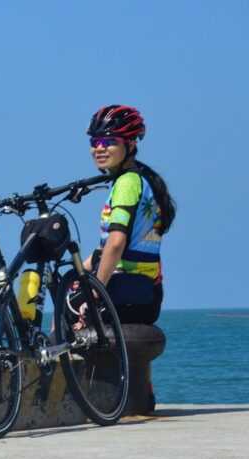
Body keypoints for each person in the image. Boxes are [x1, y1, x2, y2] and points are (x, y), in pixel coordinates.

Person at [83, 105, 176, 324]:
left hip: (126, 292)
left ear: (131, 144)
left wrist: (97, 292)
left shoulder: (127, 183)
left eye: (109, 142)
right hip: (146, 292)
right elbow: (106, 247)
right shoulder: (141, 180)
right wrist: (79, 268)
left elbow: (116, 244)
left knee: (68, 308)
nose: (99, 148)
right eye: (94, 142)